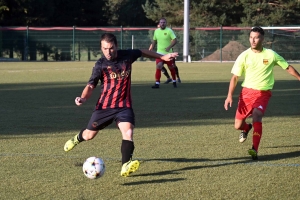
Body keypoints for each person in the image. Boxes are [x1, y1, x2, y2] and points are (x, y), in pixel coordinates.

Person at [64, 33, 178, 177]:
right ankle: (77, 138)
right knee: (89, 136)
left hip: (124, 106)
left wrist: (161, 57)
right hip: (104, 107)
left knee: (128, 133)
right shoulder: (101, 64)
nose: (108, 52)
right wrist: (83, 98)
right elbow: (91, 85)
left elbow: (143, 51)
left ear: (116, 46)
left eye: (111, 48)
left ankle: (125, 165)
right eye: (104, 48)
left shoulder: (127, 56)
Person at [224, 26, 300, 160]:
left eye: (256, 37)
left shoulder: (271, 55)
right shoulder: (244, 56)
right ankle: (246, 128)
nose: (253, 40)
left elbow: (287, 67)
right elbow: (235, 77)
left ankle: (254, 149)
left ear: (262, 39)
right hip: (246, 93)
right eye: (251, 37)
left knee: (257, 116)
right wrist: (229, 95)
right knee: (237, 125)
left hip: (263, 93)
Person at [149, 18, 179, 88]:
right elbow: (154, 41)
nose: (162, 24)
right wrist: (151, 48)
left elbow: (175, 40)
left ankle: (174, 81)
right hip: (159, 54)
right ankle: (157, 83)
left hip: (168, 54)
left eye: (164, 22)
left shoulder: (169, 31)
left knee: (171, 67)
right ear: (159, 24)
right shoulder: (156, 31)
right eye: (161, 22)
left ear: (166, 23)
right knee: (158, 66)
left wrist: (169, 47)